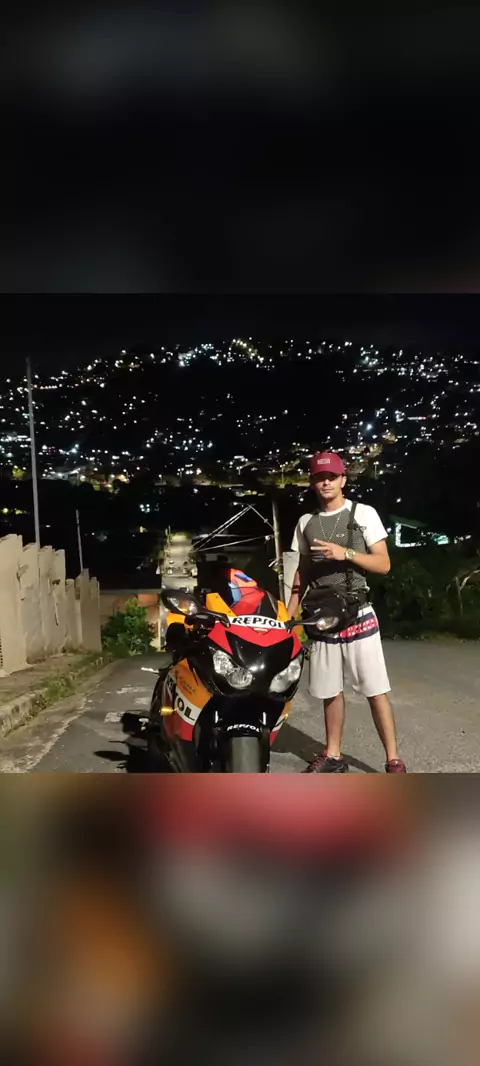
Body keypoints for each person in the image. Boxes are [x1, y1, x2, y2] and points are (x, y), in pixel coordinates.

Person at [287, 451, 406, 773]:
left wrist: (346, 553)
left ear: (343, 480)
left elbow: (383, 564)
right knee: (329, 691)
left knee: (375, 690)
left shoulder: (363, 513)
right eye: (319, 478)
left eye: (331, 477)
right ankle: (334, 754)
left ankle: (393, 759)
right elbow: (302, 572)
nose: (325, 483)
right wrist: (290, 616)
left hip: (358, 613)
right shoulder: (306, 523)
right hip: (322, 617)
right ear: (312, 483)